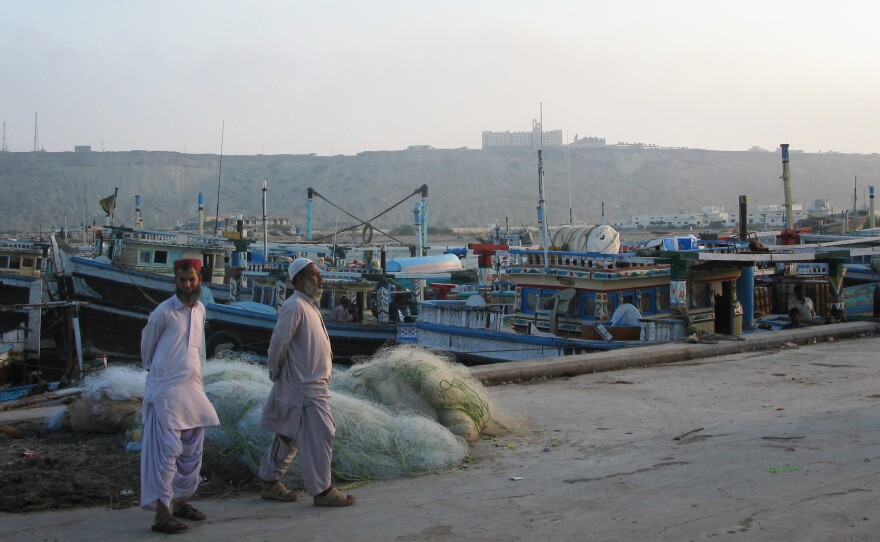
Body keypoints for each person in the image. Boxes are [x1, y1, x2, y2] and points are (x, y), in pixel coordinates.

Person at [258, 258, 356, 507]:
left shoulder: (308, 305)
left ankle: (269, 481)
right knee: (322, 433)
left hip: (308, 383)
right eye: (314, 275)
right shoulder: (294, 306)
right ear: (299, 280)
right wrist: (275, 371)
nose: (320, 279)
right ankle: (322, 490)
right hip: (304, 385)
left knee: (288, 435)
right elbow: (278, 343)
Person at [140, 258, 220, 534]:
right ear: (175, 281)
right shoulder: (163, 312)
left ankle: (181, 502)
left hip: (193, 389)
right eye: (181, 280)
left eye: (191, 280)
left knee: (192, 452)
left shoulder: (201, 310)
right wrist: (162, 376)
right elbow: (147, 351)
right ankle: (161, 514)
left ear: (199, 280)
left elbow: (198, 350)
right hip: (167, 392)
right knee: (166, 453)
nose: (186, 285)